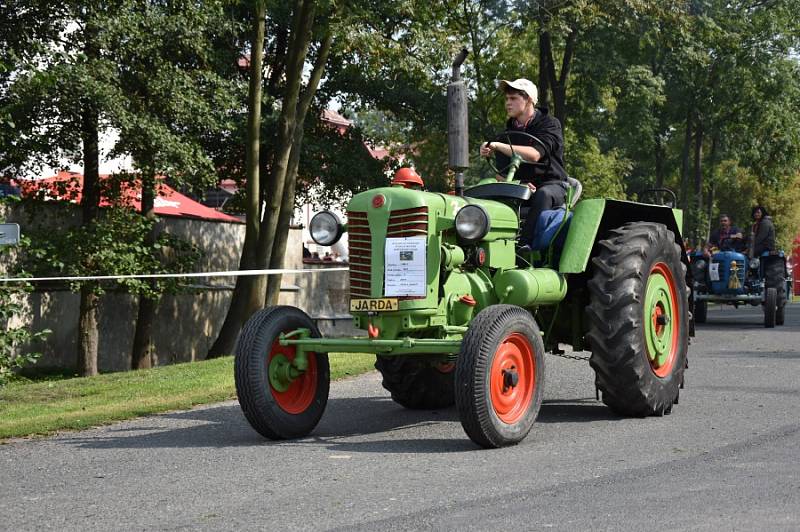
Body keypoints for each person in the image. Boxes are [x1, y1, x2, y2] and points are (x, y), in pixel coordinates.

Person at [479, 78, 568, 247]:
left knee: (543, 194)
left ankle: (524, 246)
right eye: (506, 99)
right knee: (485, 191)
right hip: (523, 187)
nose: (508, 103)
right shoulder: (507, 134)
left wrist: (497, 146)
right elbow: (501, 176)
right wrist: (519, 184)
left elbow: (534, 154)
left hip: (553, 185)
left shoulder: (550, 124)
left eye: (513, 99)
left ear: (528, 100)